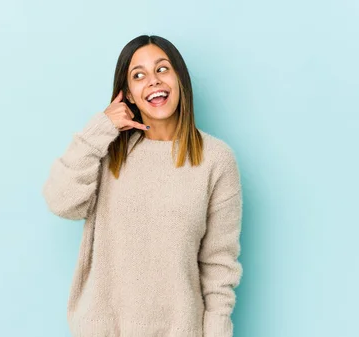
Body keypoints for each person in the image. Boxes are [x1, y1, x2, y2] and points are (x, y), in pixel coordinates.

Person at [42, 34, 243, 337]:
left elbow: (218, 267)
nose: (153, 81)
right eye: (139, 75)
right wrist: (101, 127)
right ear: (129, 96)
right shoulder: (108, 152)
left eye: (162, 69)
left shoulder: (216, 160)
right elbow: (61, 201)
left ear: (180, 80)